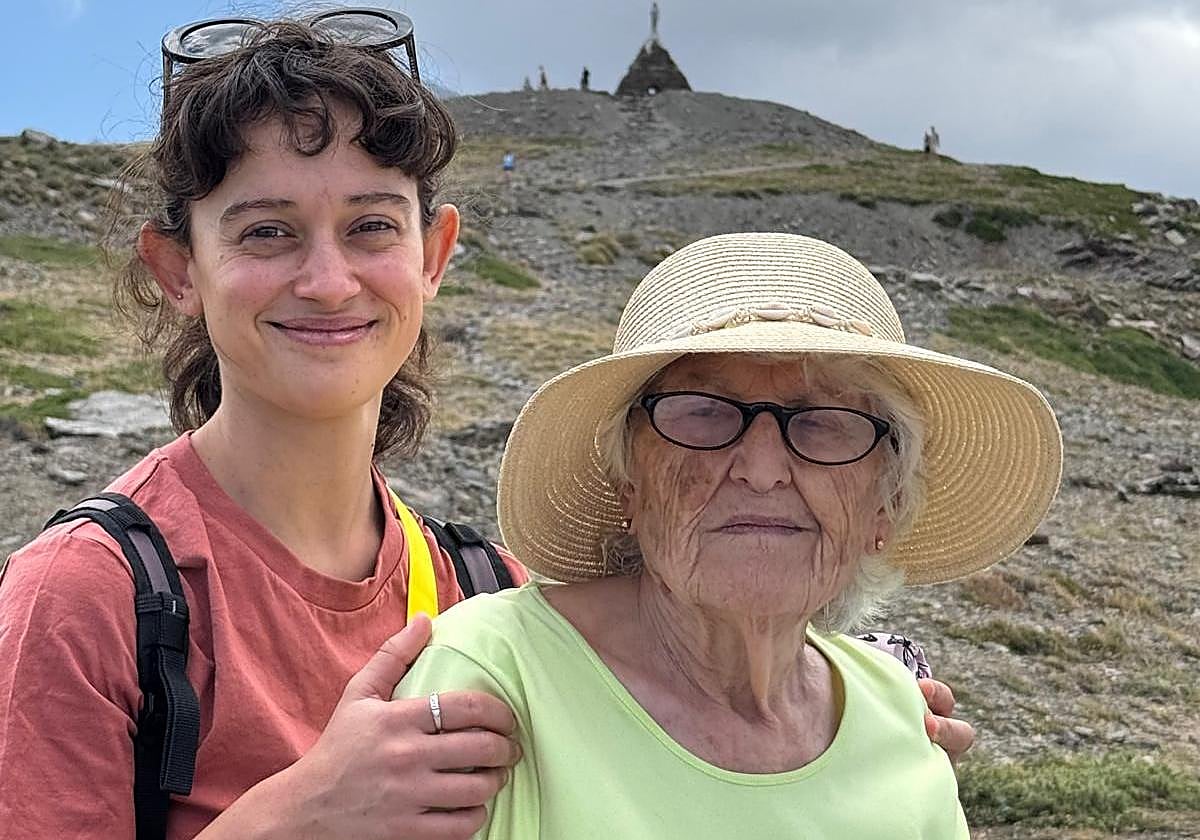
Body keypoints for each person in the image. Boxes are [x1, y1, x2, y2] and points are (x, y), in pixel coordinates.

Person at [0, 18, 527, 840]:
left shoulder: (494, 593)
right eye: (267, 232)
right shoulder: (84, 599)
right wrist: (301, 816)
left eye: (372, 226)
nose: (327, 281)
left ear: (433, 255)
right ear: (179, 271)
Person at [395, 232, 1063, 838]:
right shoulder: (493, 679)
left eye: (822, 421)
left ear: (882, 508)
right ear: (631, 481)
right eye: (704, 413)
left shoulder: (902, 722)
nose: (764, 469)